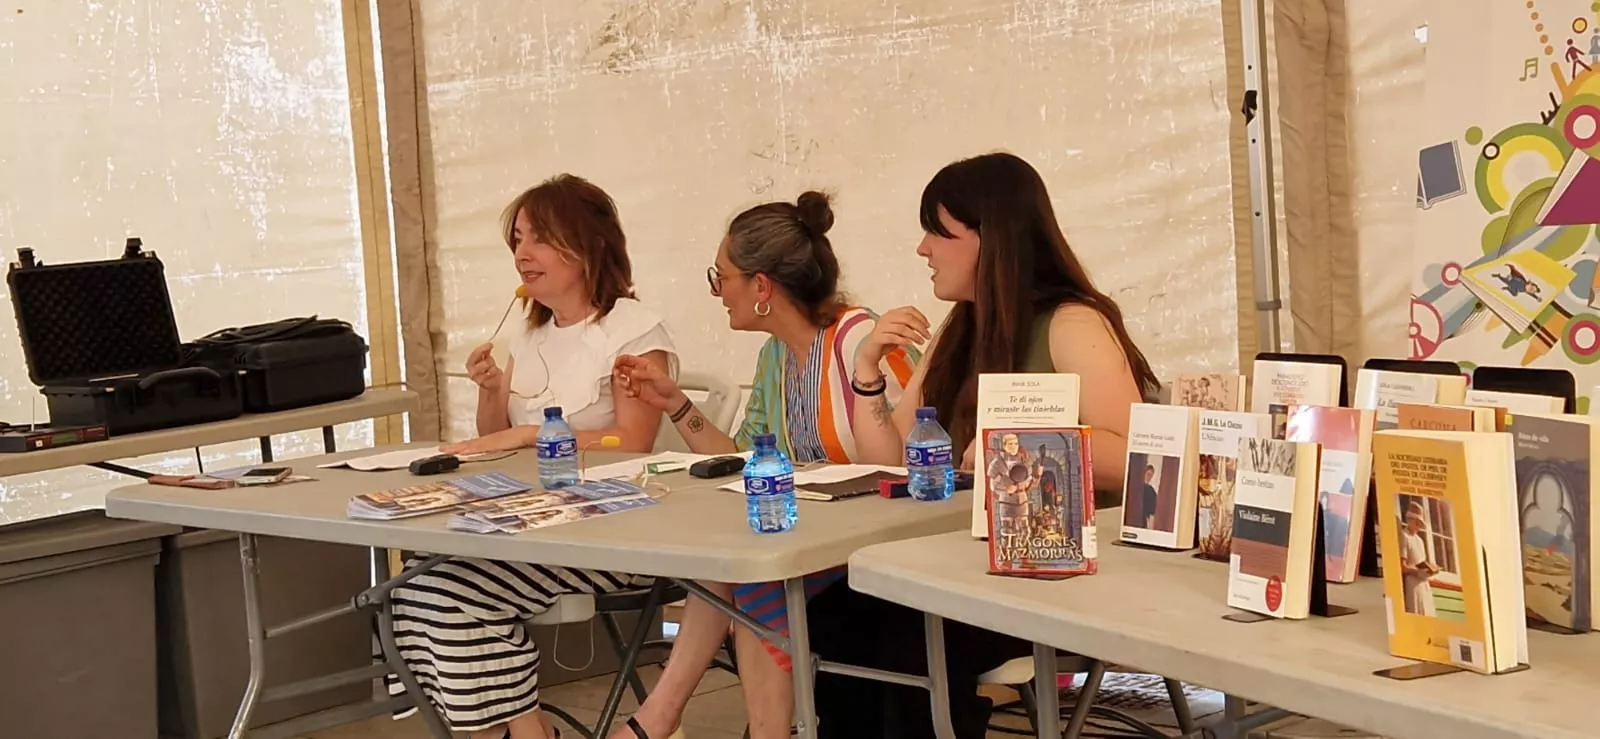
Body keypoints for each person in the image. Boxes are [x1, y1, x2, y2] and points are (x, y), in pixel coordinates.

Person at [818, 151, 1162, 738]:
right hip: (968, 563)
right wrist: (867, 368)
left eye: (938, 231)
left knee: (900, 637)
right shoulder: (963, 327)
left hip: (1056, 573)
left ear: (991, 238)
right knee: (830, 616)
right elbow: (894, 457)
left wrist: (1021, 446)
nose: (923, 249)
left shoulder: (1072, 322)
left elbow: (1138, 454)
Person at [610, 191, 919, 739]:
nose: (716, 292)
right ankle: (677, 719)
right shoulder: (775, 356)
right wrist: (676, 404)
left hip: (885, 544)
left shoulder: (863, 343)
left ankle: (664, 718)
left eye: (720, 276)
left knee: (746, 566)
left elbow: (916, 464)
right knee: (736, 555)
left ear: (760, 286)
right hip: (818, 542)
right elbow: (740, 461)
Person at [384, 174, 677, 739]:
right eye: (517, 239)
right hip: (527, 521)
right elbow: (494, 439)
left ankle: (516, 731)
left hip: (613, 528)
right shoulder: (526, 335)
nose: (522, 254)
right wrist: (491, 393)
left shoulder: (634, 332)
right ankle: (519, 726)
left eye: (539, 238)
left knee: (449, 590)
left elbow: (634, 442)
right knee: (411, 585)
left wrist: (527, 438)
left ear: (588, 244)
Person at [1400, 502, 1438, 617]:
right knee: (1416, 612)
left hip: (1424, 583)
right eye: (1417, 523)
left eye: (1420, 524)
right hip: (1412, 582)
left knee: (1427, 613)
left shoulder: (1420, 540)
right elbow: (1403, 566)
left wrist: (1429, 569)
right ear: (1410, 520)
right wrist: (1417, 572)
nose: (1419, 527)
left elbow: (1422, 561)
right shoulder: (1404, 536)